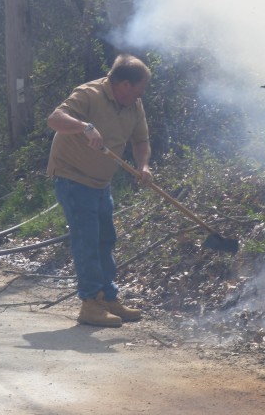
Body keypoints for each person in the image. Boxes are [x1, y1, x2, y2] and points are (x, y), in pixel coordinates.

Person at [47, 54, 153, 328]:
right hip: (72, 177)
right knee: (87, 240)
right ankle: (90, 304)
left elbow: (141, 140)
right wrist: (84, 127)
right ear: (125, 85)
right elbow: (55, 119)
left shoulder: (134, 104)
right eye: (140, 87)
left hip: (100, 183)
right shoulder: (89, 94)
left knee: (106, 239)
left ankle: (107, 298)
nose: (142, 93)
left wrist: (144, 166)